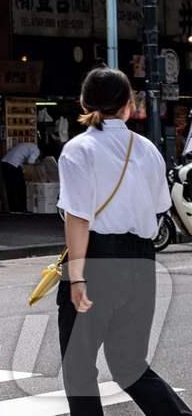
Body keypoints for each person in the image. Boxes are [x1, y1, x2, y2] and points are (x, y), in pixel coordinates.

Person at [56, 68, 192, 416]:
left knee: (79, 366)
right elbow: (162, 207)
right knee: (129, 363)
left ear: (84, 103)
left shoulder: (78, 149)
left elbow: (78, 217)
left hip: (97, 259)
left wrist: (77, 277)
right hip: (141, 261)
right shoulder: (148, 150)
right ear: (129, 105)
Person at [1, 140, 41, 213]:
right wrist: (38, 163)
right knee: (21, 187)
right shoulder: (36, 150)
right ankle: (21, 209)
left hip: (4, 163)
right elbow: (30, 162)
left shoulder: (27, 145)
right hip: (13, 164)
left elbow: (21, 159)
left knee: (10, 187)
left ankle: (12, 209)